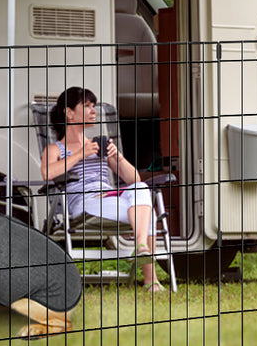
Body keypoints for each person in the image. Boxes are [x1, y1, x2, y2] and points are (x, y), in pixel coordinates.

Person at [40, 86, 164, 292]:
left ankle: (140, 244)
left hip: (112, 197)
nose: (93, 110)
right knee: (147, 213)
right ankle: (151, 280)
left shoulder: (99, 145)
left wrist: (117, 156)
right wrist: (80, 154)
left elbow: (133, 178)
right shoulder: (54, 149)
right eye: (86, 106)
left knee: (141, 188)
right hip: (86, 204)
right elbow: (47, 173)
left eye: (93, 106)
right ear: (69, 113)